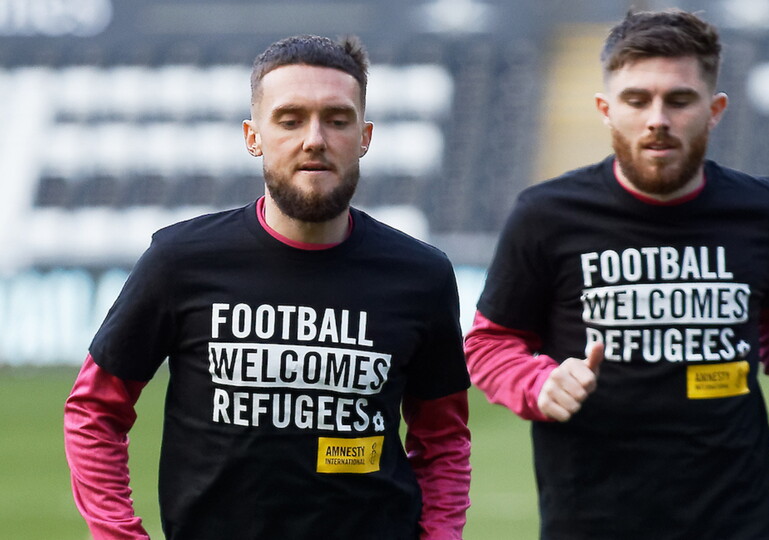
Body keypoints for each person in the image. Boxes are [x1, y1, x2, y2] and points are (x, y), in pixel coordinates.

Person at [64, 34, 471, 540]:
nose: (315, 139)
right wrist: (117, 533)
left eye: (337, 119)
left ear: (364, 136)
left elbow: (443, 439)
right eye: (290, 119)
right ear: (253, 136)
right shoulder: (181, 261)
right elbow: (95, 410)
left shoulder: (421, 276)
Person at [465, 8, 769, 540]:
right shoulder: (546, 215)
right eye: (636, 99)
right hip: (594, 520)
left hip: (740, 517)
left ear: (714, 110)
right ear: (606, 110)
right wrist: (537, 383)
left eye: (680, 100)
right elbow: (490, 343)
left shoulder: (765, 210)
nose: (657, 119)